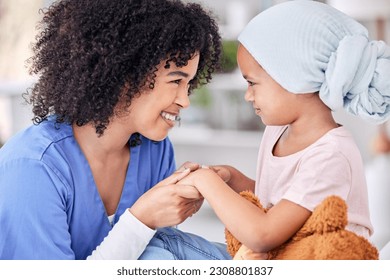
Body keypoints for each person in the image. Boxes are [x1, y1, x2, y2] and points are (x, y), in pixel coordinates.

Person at [139, 0, 390, 260]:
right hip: (280, 256)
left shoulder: (331, 155)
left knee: (167, 247)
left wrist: (207, 182)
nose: (248, 96)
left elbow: (263, 235)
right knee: (162, 242)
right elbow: (283, 205)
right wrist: (232, 178)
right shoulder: (278, 131)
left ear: (295, 78)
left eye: (252, 83)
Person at [0, 0, 227, 260]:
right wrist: (141, 219)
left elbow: (153, 257)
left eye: (189, 83)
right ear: (125, 73)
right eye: (176, 80)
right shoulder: (31, 168)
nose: (185, 100)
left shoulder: (156, 150)